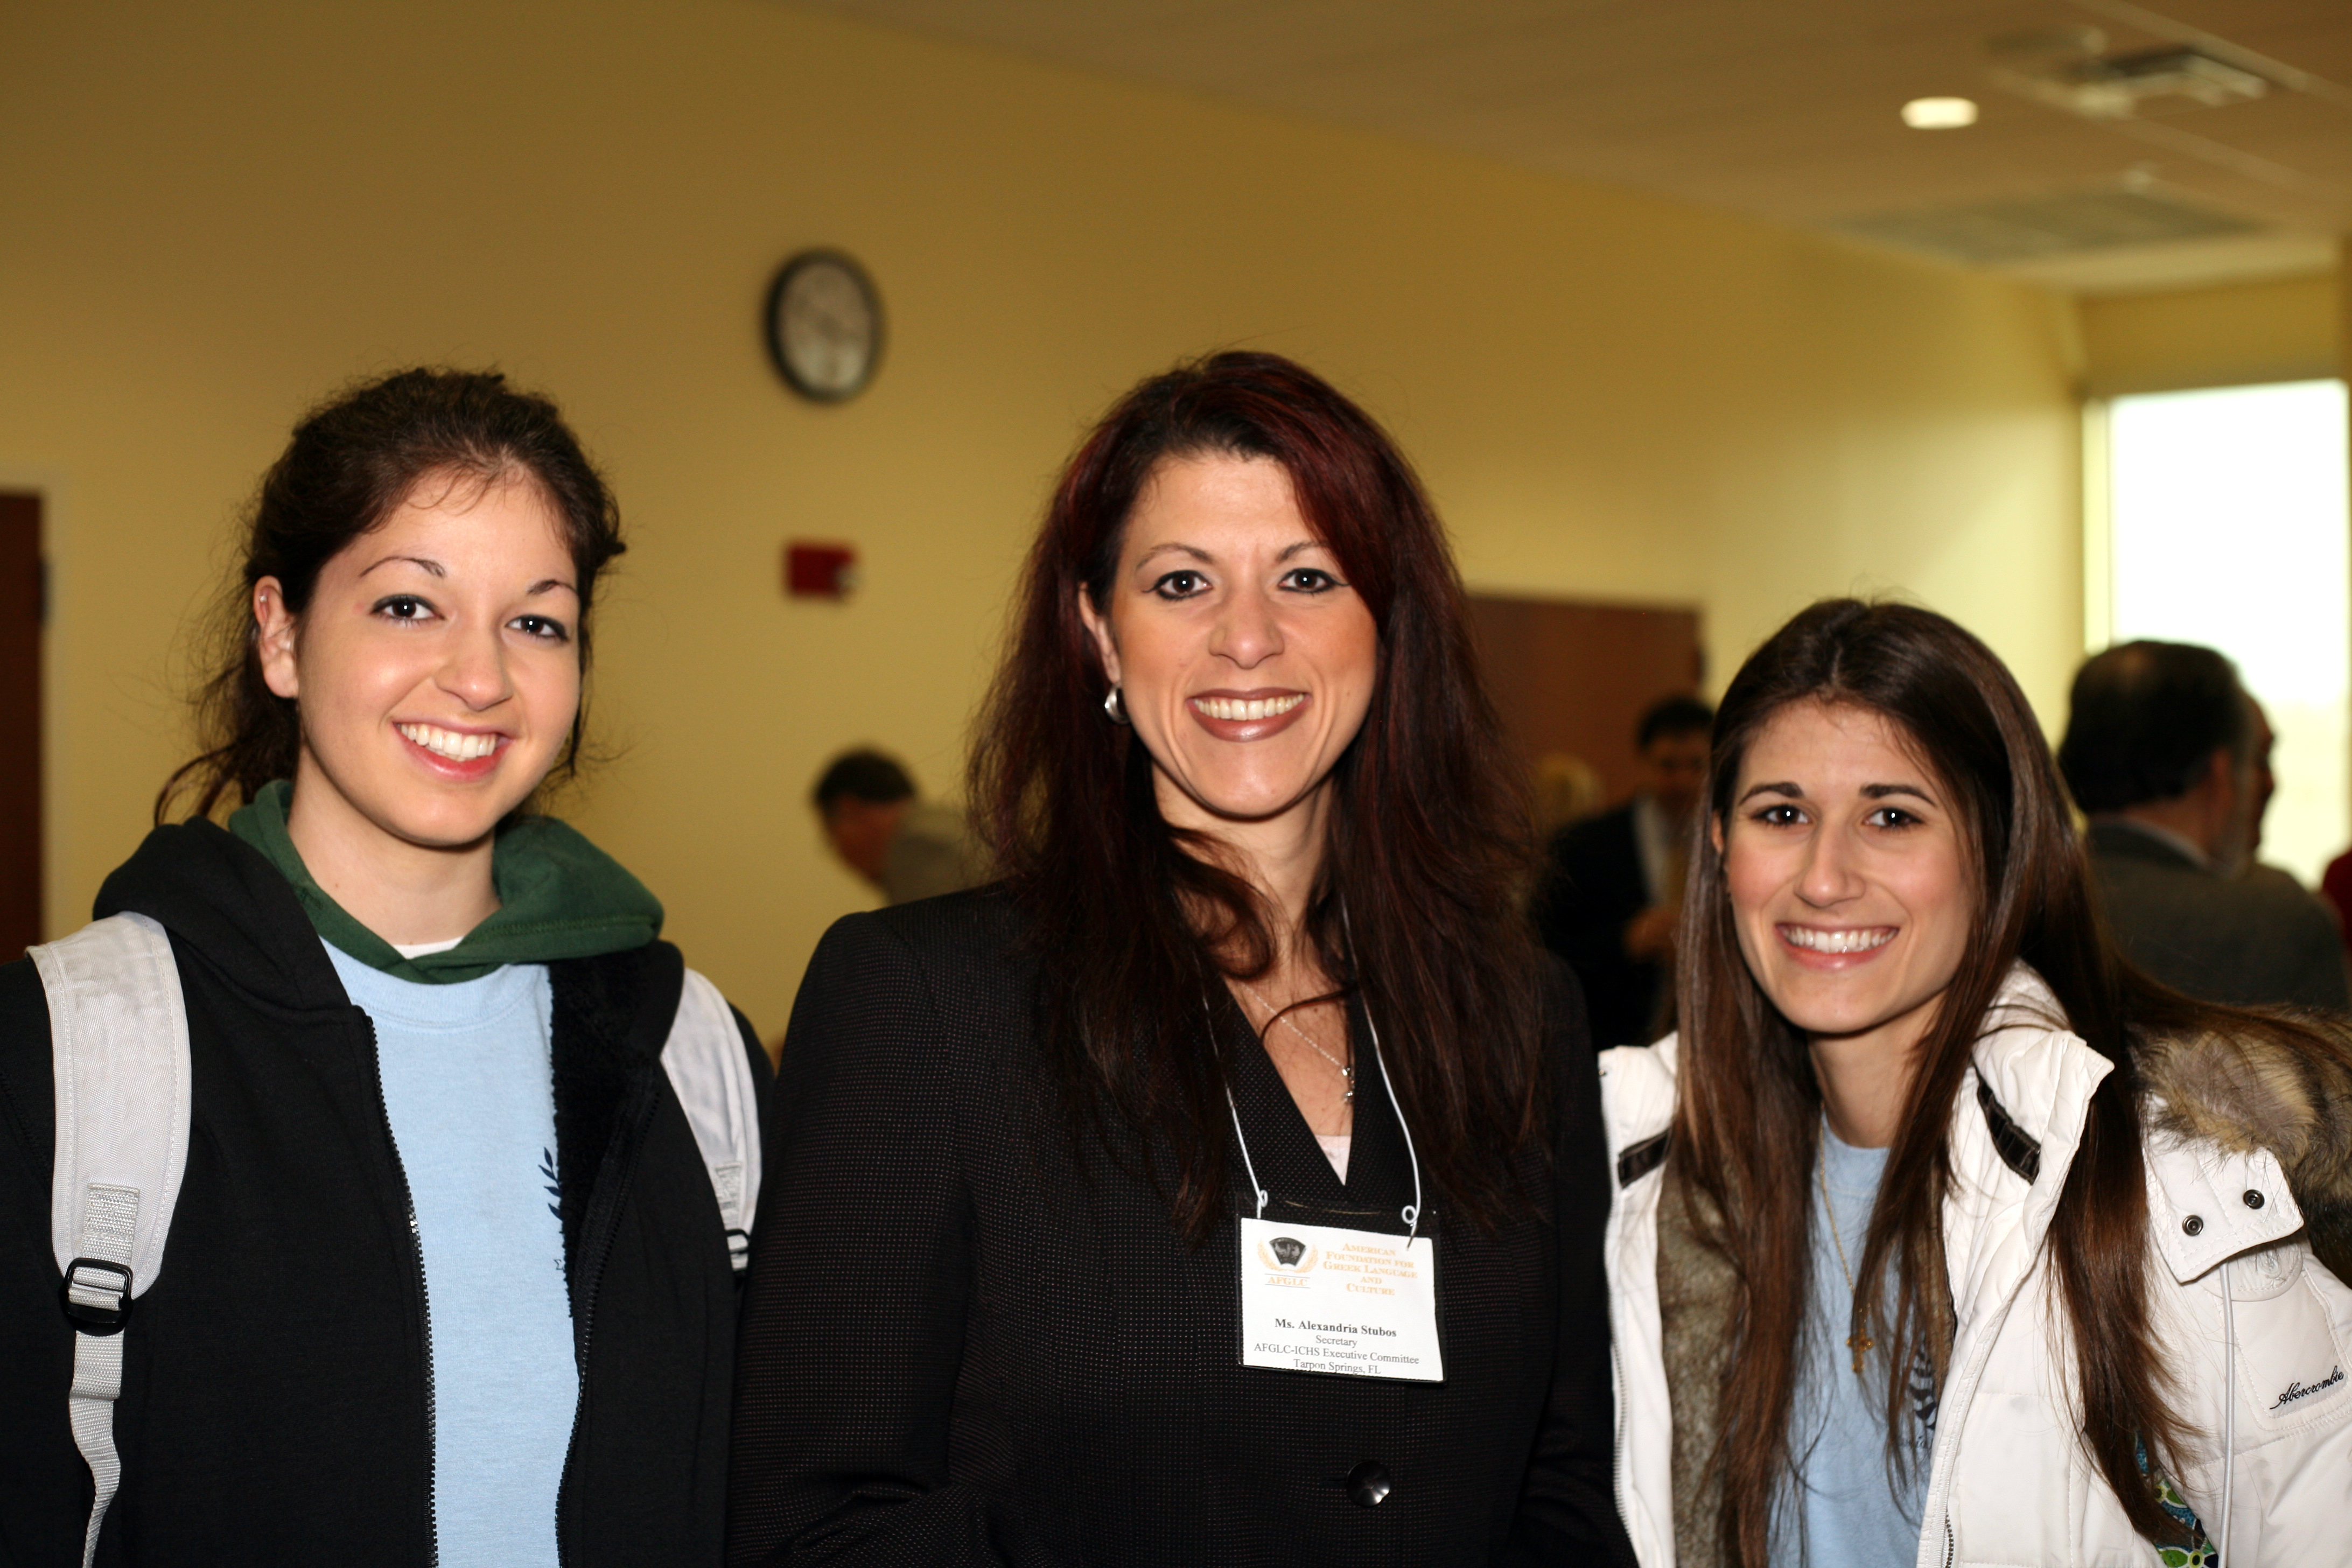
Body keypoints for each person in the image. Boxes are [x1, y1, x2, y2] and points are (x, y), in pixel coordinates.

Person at [729, 351, 1634, 1565]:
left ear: (1388, 624)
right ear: (1100, 632)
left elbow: (1560, 1484)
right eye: (1182, 582)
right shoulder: (928, 1004)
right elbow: (816, 1527)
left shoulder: (1521, 1016)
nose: (1248, 637)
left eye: (1307, 576)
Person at [0, 369, 771, 1565]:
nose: (481, 677)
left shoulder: (688, 1048)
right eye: (411, 606)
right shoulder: (74, 1049)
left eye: (538, 620)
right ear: (282, 633)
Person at [1602, 599, 2352, 1568]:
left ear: (1996, 849)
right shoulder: (1644, 1175)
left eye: (1891, 815)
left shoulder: (2167, 1178)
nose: (1823, 877)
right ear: (1717, 842)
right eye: (1780, 813)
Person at [2057, 640, 2349, 1011]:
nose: (2269, 782)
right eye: (2258, 758)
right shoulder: (2278, 922)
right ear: (2222, 770)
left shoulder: (2021, 904)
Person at [1531, 695, 1712, 1048]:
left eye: (1696, 765)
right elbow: (1541, 949)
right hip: (1612, 1043)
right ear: (1643, 763)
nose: (1681, 781)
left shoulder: (1740, 842)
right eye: (1667, 766)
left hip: (1712, 1042)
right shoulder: (1585, 844)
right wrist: (1623, 942)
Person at [810, 746, 988, 903]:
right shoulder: (956, 822)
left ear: (850, 810)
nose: (840, 856)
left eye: (832, 840)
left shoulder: (917, 849)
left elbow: (935, 940)